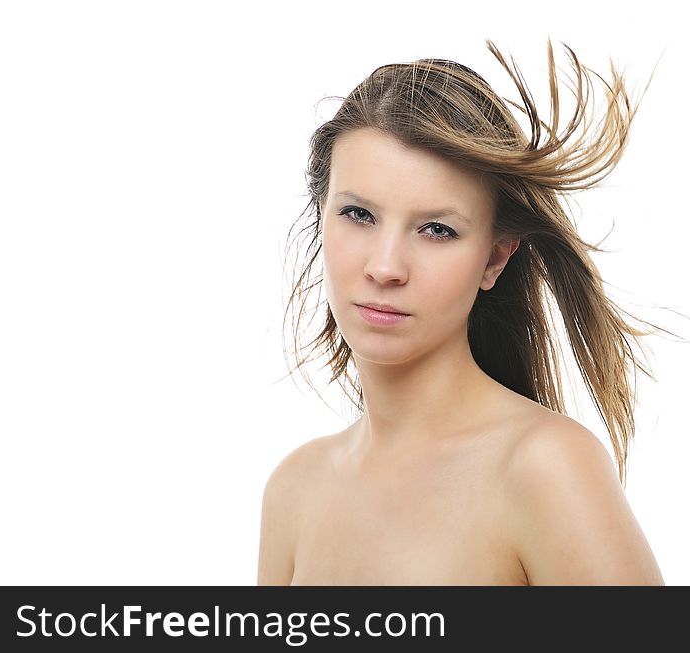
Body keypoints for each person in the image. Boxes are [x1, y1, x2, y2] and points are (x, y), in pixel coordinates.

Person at [258, 38, 666, 585]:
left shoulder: (544, 468)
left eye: (437, 230)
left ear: (494, 259)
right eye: (358, 214)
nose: (385, 267)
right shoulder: (294, 491)